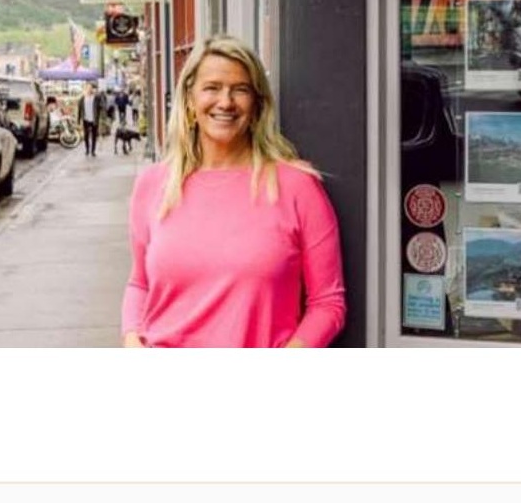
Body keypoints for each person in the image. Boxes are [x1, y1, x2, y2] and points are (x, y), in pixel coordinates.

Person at [121, 34, 346, 348]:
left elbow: (328, 304)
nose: (225, 102)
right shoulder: (152, 184)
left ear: (256, 105)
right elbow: (139, 284)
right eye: (212, 88)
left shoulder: (297, 186)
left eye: (239, 90)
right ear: (189, 99)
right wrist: (132, 342)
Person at [79, 80, 105, 157]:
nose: (89, 89)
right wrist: (79, 119)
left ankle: (93, 151)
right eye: (88, 88)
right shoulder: (82, 98)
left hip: (94, 119)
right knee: (86, 135)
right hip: (86, 119)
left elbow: (102, 106)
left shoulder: (96, 98)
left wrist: (101, 115)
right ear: (85, 89)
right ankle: (87, 149)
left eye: (90, 88)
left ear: (92, 89)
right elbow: (80, 109)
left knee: (94, 136)